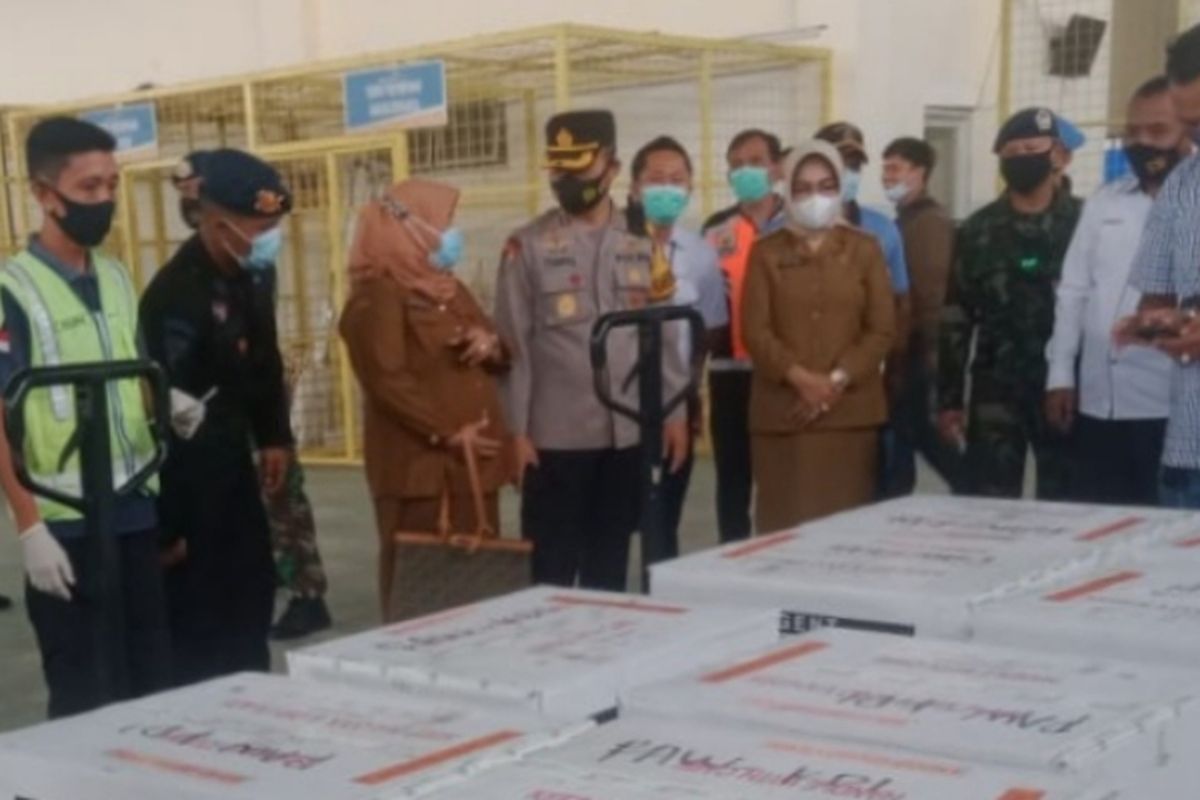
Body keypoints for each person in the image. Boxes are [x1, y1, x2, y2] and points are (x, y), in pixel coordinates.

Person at [0, 117, 169, 717]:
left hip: (132, 504)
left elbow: (136, 368)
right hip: (64, 520)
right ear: (45, 195)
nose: (105, 200)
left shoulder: (118, 277)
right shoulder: (11, 290)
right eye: (89, 188)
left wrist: (172, 403)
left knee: (148, 682)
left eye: (112, 185)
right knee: (84, 691)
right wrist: (28, 527)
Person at [494, 110, 689, 590]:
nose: (568, 180)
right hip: (555, 440)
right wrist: (516, 433)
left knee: (610, 563)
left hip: (625, 434)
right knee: (551, 571)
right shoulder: (528, 245)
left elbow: (662, 334)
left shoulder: (643, 242)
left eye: (580, 169)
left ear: (612, 168)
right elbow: (512, 346)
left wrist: (675, 411)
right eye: (560, 171)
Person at [140, 148, 293, 686]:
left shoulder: (251, 277)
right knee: (202, 630)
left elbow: (266, 361)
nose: (270, 237)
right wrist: (170, 526)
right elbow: (164, 419)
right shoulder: (174, 295)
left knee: (251, 600)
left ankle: (257, 714)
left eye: (275, 225)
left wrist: (275, 436)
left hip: (234, 472)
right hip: (191, 485)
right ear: (215, 220)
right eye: (261, 226)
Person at [171, 152, 332, 641]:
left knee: (282, 503)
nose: (188, 202)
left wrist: (274, 432)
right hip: (212, 428)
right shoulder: (187, 281)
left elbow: (263, 352)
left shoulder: (251, 265)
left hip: (257, 411)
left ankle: (306, 592)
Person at [340, 178, 513, 618]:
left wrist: (489, 342)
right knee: (422, 591)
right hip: (420, 474)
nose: (452, 234)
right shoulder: (377, 295)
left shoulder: (447, 288)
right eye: (444, 223)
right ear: (408, 231)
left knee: (474, 586)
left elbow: (498, 344)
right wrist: (446, 432)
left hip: (474, 467)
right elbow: (386, 378)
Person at [1046, 78, 1186, 507]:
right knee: (1098, 527)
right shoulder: (1105, 203)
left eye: (1158, 132)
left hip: (1168, 408)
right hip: (1097, 403)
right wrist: (1061, 375)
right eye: (1133, 132)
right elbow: (1073, 291)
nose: (1143, 143)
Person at [742, 140, 895, 531]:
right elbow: (755, 331)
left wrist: (834, 382)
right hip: (783, 416)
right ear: (787, 192)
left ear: (840, 188)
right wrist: (801, 380)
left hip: (850, 416)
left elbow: (881, 329)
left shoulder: (866, 249)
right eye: (804, 188)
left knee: (845, 537)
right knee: (782, 532)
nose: (816, 197)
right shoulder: (765, 253)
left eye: (826, 186)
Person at [938, 107, 1083, 499]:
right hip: (996, 389)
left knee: (1069, 502)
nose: (1022, 158)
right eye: (1012, 152)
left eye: (1032, 148)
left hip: (1066, 388)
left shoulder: (1084, 223)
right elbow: (956, 316)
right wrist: (949, 399)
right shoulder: (978, 229)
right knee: (987, 506)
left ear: (1057, 154)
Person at [625, 135, 727, 560]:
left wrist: (690, 398)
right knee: (617, 517)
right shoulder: (614, 244)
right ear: (633, 188)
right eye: (655, 179)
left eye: (676, 179)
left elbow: (707, 331)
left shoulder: (701, 253)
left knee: (665, 516)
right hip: (618, 401)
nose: (666, 188)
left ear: (688, 189)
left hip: (673, 405)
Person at [1115, 24, 1200, 509]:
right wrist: (1155, 325)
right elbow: (1159, 297)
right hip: (1190, 450)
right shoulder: (1183, 184)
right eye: (1188, 126)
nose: (1193, 138)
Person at [814, 122, 912, 498]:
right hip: (808, 386)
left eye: (854, 164)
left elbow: (901, 302)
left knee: (869, 490)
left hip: (864, 382)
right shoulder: (781, 231)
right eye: (839, 161)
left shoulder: (882, 229)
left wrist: (894, 371)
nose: (848, 172)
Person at [702, 129, 787, 544]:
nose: (744, 171)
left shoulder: (801, 225)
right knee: (733, 480)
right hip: (729, 373)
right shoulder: (716, 229)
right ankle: (730, 557)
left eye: (755, 161)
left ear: (778, 166)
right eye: (735, 165)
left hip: (786, 375)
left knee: (782, 480)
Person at [880, 136, 962, 493]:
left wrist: (925, 355)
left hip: (917, 352)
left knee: (925, 436)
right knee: (907, 437)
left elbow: (929, 295)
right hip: (905, 350)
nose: (887, 177)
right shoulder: (904, 219)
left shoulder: (928, 222)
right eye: (884, 169)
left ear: (920, 172)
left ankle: (974, 489)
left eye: (895, 168)